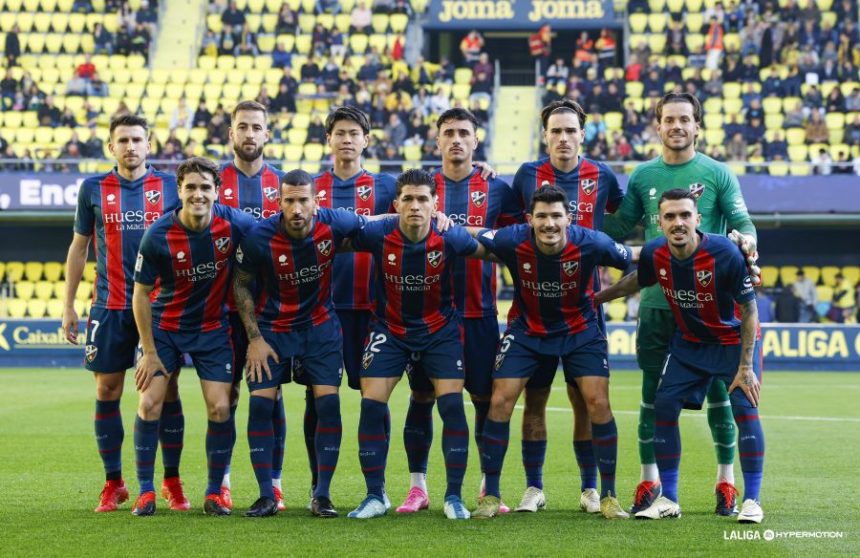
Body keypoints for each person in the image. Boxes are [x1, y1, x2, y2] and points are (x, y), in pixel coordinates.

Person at [603, 92, 759, 516]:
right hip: (657, 302)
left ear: (697, 126)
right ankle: (650, 481)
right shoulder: (641, 176)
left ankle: (725, 482)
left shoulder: (717, 173)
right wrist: (586, 192)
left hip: (711, 306)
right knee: (654, 397)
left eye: (684, 119)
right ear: (657, 125)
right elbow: (618, 226)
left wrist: (747, 241)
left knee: (721, 395)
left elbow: (743, 224)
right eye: (668, 119)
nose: (676, 126)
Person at [470, 184, 634, 520]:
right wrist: (437, 222)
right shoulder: (512, 239)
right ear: (529, 219)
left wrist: (605, 297)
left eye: (556, 216)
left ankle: (605, 494)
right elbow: (470, 236)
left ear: (568, 218)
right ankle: (499, 493)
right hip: (527, 331)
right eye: (541, 216)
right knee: (502, 400)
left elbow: (637, 261)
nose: (549, 223)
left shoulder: (592, 242)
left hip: (580, 331)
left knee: (596, 402)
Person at [395, 108, 522, 514]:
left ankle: (487, 487)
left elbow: (515, 241)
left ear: (475, 140)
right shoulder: (420, 187)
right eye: (448, 133)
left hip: (479, 312)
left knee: (484, 398)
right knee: (421, 395)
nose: (455, 140)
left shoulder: (496, 189)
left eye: (463, 133)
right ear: (436, 142)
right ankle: (418, 487)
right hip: (426, 315)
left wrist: (466, 232)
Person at [61, 114, 187, 514]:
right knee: (107, 390)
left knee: (166, 392)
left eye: (137, 139)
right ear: (110, 147)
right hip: (110, 305)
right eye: (123, 140)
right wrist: (68, 305)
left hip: (161, 308)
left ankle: (171, 482)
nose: (131, 146)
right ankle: (113, 482)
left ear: (150, 144)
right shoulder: (93, 188)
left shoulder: (170, 187)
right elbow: (79, 247)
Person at [233, 170, 372, 518]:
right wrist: (253, 338)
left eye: (303, 200)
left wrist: (432, 217)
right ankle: (267, 495)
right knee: (261, 406)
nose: (296, 208)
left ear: (316, 201)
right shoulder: (258, 237)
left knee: (328, 406)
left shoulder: (335, 223)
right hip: (271, 331)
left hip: (320, 329)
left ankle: (321, 495)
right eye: (289, 200)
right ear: (279, 202)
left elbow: (378, 223)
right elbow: (241, 285)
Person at [509, 99, 624, 515]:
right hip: (534, 310)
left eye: (570, 130)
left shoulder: (602, 176)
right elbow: (505, 220)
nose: (563, 138)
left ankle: (590, 489)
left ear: (582, 134)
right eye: (555, 131)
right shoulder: (526, 176)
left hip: (584, 310)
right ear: (545, 135)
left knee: (585, 401)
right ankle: (533, 487)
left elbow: (623, 219)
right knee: (534, 400)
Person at [347, 169, 482, 520]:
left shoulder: (450, 237)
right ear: (396, 205)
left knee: (452, 407)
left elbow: (491, 246)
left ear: (436, 204)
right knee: (372, 406)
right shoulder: (379, 232)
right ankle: (375, 495)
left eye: (423, 199)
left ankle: (453, 497)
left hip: (440, 331)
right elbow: (338, 231)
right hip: (390, 329)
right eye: (408, 199)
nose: (416, 206)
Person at [130, 157, 254, 516]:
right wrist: (149, 353)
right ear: (179, 190)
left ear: (217, 191)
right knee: (149, 403)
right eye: (191, 187)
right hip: (164, 330)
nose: (198, 194)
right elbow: (140, 294)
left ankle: (215, 492)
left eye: (205, 188)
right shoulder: (158, 234)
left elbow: (273, 231)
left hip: (212, 330)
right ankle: (146, 490)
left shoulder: (233, 224)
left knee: (219, 406)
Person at [299, 107, 397, 505]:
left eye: (354, 133)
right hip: (320, 309)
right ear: (328, 139)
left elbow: (426, 206)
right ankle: (318, 489)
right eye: (339, 133)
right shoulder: (310, 186)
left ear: (366, 140)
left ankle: (378, 490)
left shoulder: (386, 186)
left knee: (375, 397)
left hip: (373, 310)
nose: (346, 139)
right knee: (317, 398)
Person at [216, 100, 287, 511]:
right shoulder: (211, 181)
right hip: (222, 310)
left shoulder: (284, 187)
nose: (248, 133)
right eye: (241, 126)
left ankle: (273, 484)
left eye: (256, 127)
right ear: (231, 134)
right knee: (226, 398)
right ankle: (222, 482)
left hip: (271, 311)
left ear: (267, 133)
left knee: (270, 396)